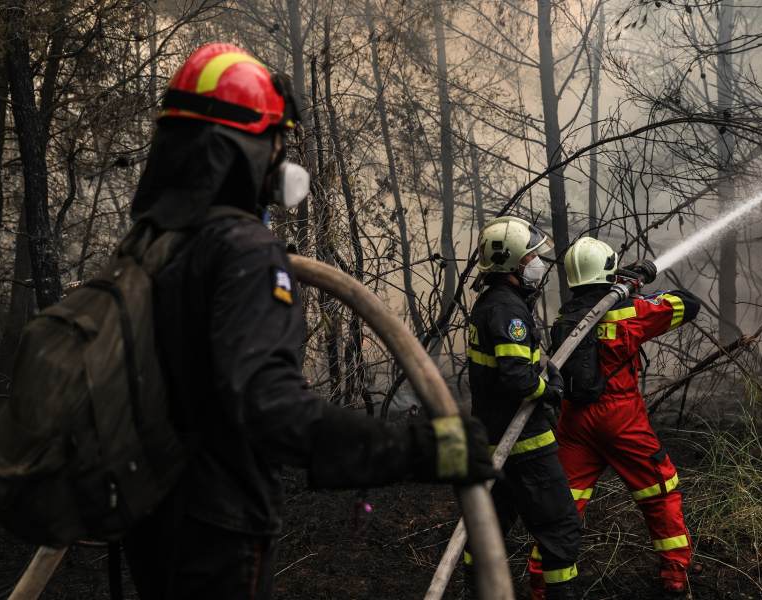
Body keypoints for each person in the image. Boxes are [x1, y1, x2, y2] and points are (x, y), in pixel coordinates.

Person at [123, 43, 496, 600]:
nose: (281, 158)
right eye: (276, 140)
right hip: (217, 527)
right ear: (244, 147)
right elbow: (270, 406)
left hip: (151, 519)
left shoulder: (150, 247)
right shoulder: (242, 251)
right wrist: (420, 449)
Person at [528, 237, 701, 597]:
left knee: (562, 506)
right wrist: (636, 283)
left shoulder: (564, 317)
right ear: (609, 270)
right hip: (621, 419)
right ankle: (674, 576)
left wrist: (621, 285)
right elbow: (688, 303)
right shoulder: (630, 312)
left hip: (574, 422)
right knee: (660, 491)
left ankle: (542, 587)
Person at [465, 217, 582, 600]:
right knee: (560, 526)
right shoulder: (507, 311)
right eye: (531, 255)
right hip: (523, 443)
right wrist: (550, 390)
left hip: (493, 437)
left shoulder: (492, 303)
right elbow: (517, 379)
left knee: (489, 527)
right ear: (513, 262)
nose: (537, 262)